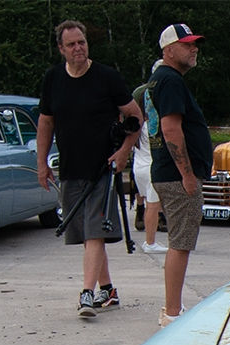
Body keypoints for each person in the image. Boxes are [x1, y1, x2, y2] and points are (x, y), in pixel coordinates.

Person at [36, 20, 141, 319]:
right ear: (61, 49)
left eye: (81, 42)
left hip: (102, 170)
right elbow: (46, 122)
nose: (78, 48)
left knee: (95, 232)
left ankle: (87, 293)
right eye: (71, 44)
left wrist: (123, 153)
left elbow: (135, 116)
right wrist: (41, 163)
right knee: (86, 235)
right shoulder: (53, 78)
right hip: (71, 168)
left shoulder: (107, 77)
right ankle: (107, 289)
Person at [149, 23, 213, 327]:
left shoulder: (161, 79)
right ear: (169, 50)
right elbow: (171, 128)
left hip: (169, 174)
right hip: (177, 177)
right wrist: (187, 175)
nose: (194, 48)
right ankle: (172, 313)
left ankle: (172, 309)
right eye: (187, 44)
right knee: (180, 243)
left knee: (180, 242)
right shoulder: (170, 80)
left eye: (194, 43)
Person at [131, 61, 165, 254]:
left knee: (149, 201)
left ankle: (149, 234)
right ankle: (150, 242)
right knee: (153, 205)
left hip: (139, 165)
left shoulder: (138, 127)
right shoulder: (154, 127)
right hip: (152, 166)